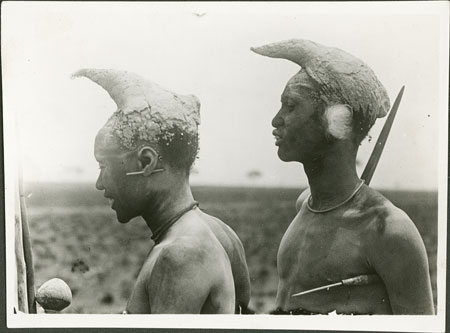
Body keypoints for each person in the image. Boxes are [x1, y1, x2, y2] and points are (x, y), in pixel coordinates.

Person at [251, 39, 434, 315]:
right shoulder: (305, 205)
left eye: (290, 106)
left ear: (337, 123)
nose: (276, 120)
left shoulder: (389, 230)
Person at [73, 69, 251, 314]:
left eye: (104, 166)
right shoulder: (223, 235)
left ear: (146, 162)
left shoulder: (181, 255)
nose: (99, 183)